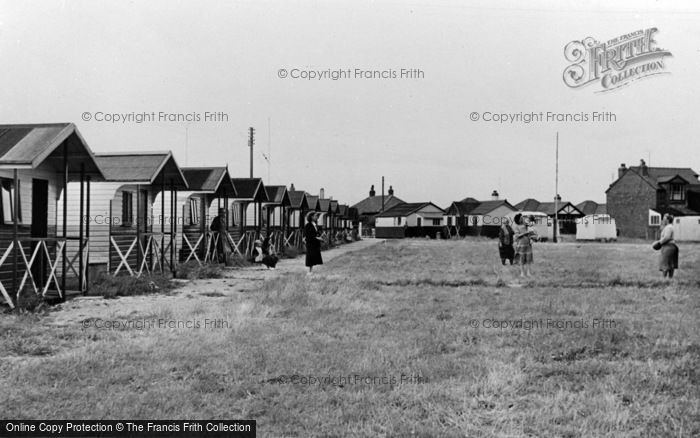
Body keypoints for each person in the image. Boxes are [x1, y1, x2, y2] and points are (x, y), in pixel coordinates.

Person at [654, 213, 679, 279]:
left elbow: (667, 237)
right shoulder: (670, 226)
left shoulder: (668, 227)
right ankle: (670, 279)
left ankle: (664, 279)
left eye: (664, 219)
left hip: (668, 247)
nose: (663, 220)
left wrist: (659, 243)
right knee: (671, 264)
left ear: (667, 220)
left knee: (665, 264)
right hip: (672, 246)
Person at [513, 213, 535, 277]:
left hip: (528, 244)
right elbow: (517, 236)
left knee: (528, 259)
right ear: (518, 219)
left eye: (522, 217)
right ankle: (522, 273)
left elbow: (531, 226)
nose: (522, 218)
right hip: (521, 245)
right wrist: (525, 233)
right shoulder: (516, 227)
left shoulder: (525, 225)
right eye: (521, 217)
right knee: (521, 259)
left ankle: (528, 272)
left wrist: (531, 239)